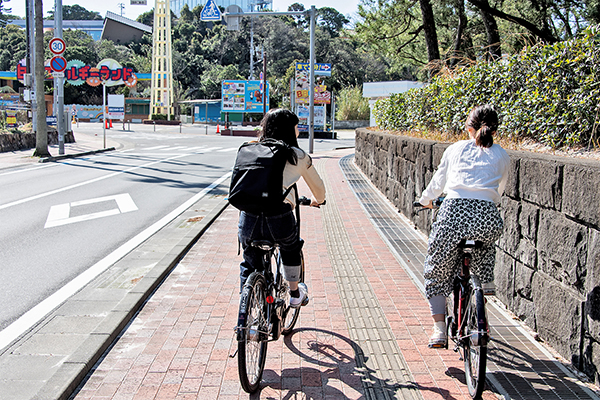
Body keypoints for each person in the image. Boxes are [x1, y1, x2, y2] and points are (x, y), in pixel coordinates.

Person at [418, 105, 510, 348]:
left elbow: (439, 182)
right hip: (487, 217)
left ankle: (439, 330)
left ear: (469, 128)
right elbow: (499, 190)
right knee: (484, 253)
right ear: (494, 129)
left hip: (453, 215)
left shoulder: (456, 148)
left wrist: (425, 200)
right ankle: (482, 302)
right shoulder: (502, 155)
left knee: (436, 269)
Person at [238, 108, 326, 307]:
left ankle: (249, 305)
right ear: (289, 129)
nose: (298, 130)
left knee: (250, 260)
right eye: (296, 126)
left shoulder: (250, 147)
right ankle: (295, 294)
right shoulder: (297, 155)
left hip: (248, 217)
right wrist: (317, 200)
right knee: (290, 247)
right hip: (279, 218)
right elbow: (319, 188)